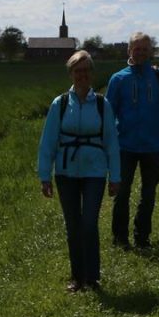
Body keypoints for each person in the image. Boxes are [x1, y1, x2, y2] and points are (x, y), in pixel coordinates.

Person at [38, 50, 120, 292]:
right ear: (71, 74)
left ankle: (92, 277)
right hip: (66, 173)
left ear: (91, 73)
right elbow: (48, 142)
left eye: (86, 70)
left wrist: (115, 177)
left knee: (89, 224)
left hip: (95, 172)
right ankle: (77, 277)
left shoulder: (103, 105)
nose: (82, 75)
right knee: (73, 225)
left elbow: (112, 143)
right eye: (77, 71)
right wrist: (45, 176)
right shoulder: (60, 104)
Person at [106, 32, 159, 250]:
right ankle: (120, 238)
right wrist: (107, 146)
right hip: (124, 146)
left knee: (149, 194)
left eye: (145, 49)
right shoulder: (118, 79)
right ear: (129, 51)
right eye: (137, 49)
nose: (141, 52)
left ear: (150, 52)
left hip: (153, 146)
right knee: (122, 193)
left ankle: (142, 237)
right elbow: (108, 115)